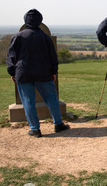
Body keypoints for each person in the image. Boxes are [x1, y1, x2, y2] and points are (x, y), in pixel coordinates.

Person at [6, 9, 70, 137]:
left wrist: (12, 73)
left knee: (28, 102)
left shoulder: (18, 37)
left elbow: (10, 57)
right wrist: (53, 72)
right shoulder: (45, 37)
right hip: (43, 72)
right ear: (40, 21)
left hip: (23, 72)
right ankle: (58, 124)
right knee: (52, 98)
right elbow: (53, 57)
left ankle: (35, 129)